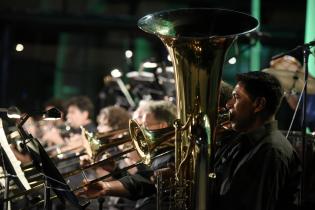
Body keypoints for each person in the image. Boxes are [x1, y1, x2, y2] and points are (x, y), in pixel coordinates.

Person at [213, 71, 302, 210]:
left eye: (236, 97)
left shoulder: (272, 152)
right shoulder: (242, 142)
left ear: (259, 104)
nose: (229, 104)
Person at [77, 100, 177, 210]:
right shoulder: (157, 153)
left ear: (162, 125)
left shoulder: (171, 155)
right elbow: (141, 181)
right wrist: (114, 171)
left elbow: (142, 182)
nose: (140, 128)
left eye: (145, 125)